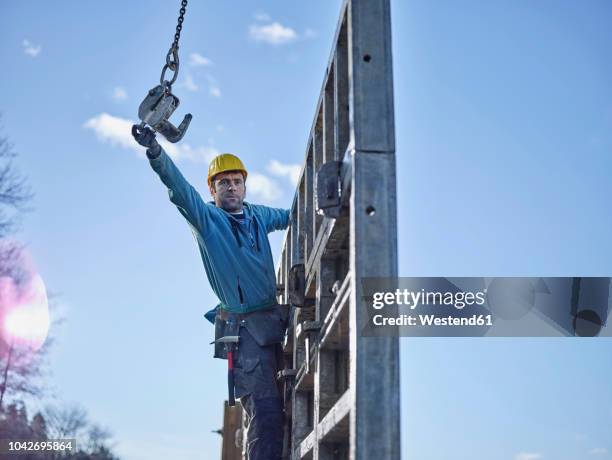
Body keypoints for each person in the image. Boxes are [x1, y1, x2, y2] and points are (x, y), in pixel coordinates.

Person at [132, 125, 290, 460]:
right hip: (246, 333)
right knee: (264, 413)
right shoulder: (207, 219)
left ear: (245, 186)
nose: (231, 187)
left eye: (236, 181)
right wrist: (156, 154)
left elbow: (293, 215)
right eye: (223, 183)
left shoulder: (259, 215)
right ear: (213, 189)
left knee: (284, 408)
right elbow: (179, 190)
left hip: (273, 323)